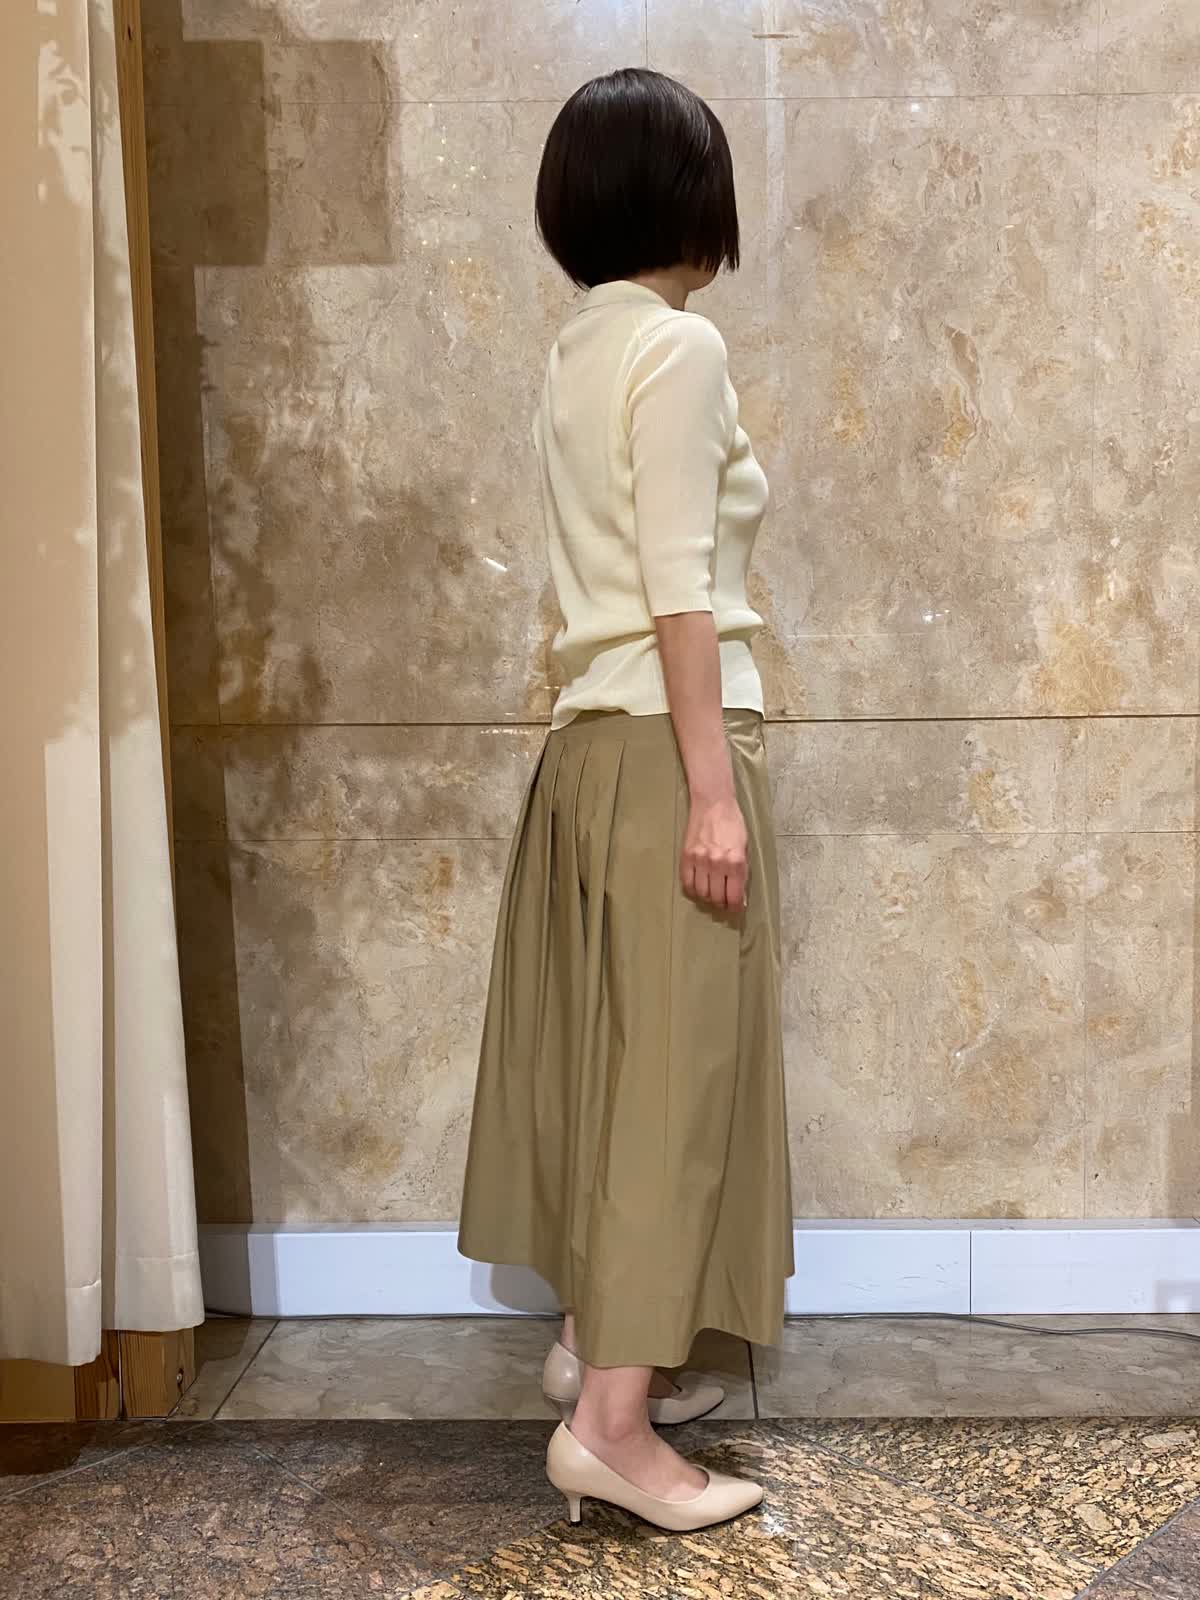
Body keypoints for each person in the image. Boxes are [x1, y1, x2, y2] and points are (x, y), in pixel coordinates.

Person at [457, 66, 793, 1532]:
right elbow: (679, 588)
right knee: (674, 1083)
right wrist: (714, 790)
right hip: (666, 752)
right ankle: (610, 1428)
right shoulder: (680, 344)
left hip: (587, 753)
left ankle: (595, 1347)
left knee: (614, 1068)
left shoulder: (576, 352)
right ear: (688, 198)